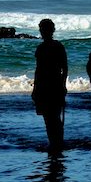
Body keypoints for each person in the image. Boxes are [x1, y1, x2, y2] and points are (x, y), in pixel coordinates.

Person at [32, 19, 68, 153]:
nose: (42, 31)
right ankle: (55, 143)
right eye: (41, 29)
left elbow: (64, 68)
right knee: (50, 117)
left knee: (52, 117)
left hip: (52, 85)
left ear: (50, 30)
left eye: (43, 29)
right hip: (46, 85)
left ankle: (56, 143)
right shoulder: (43, 48)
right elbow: (38, 70)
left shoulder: (55, 47)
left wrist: (63, 85)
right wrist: (35, 88)